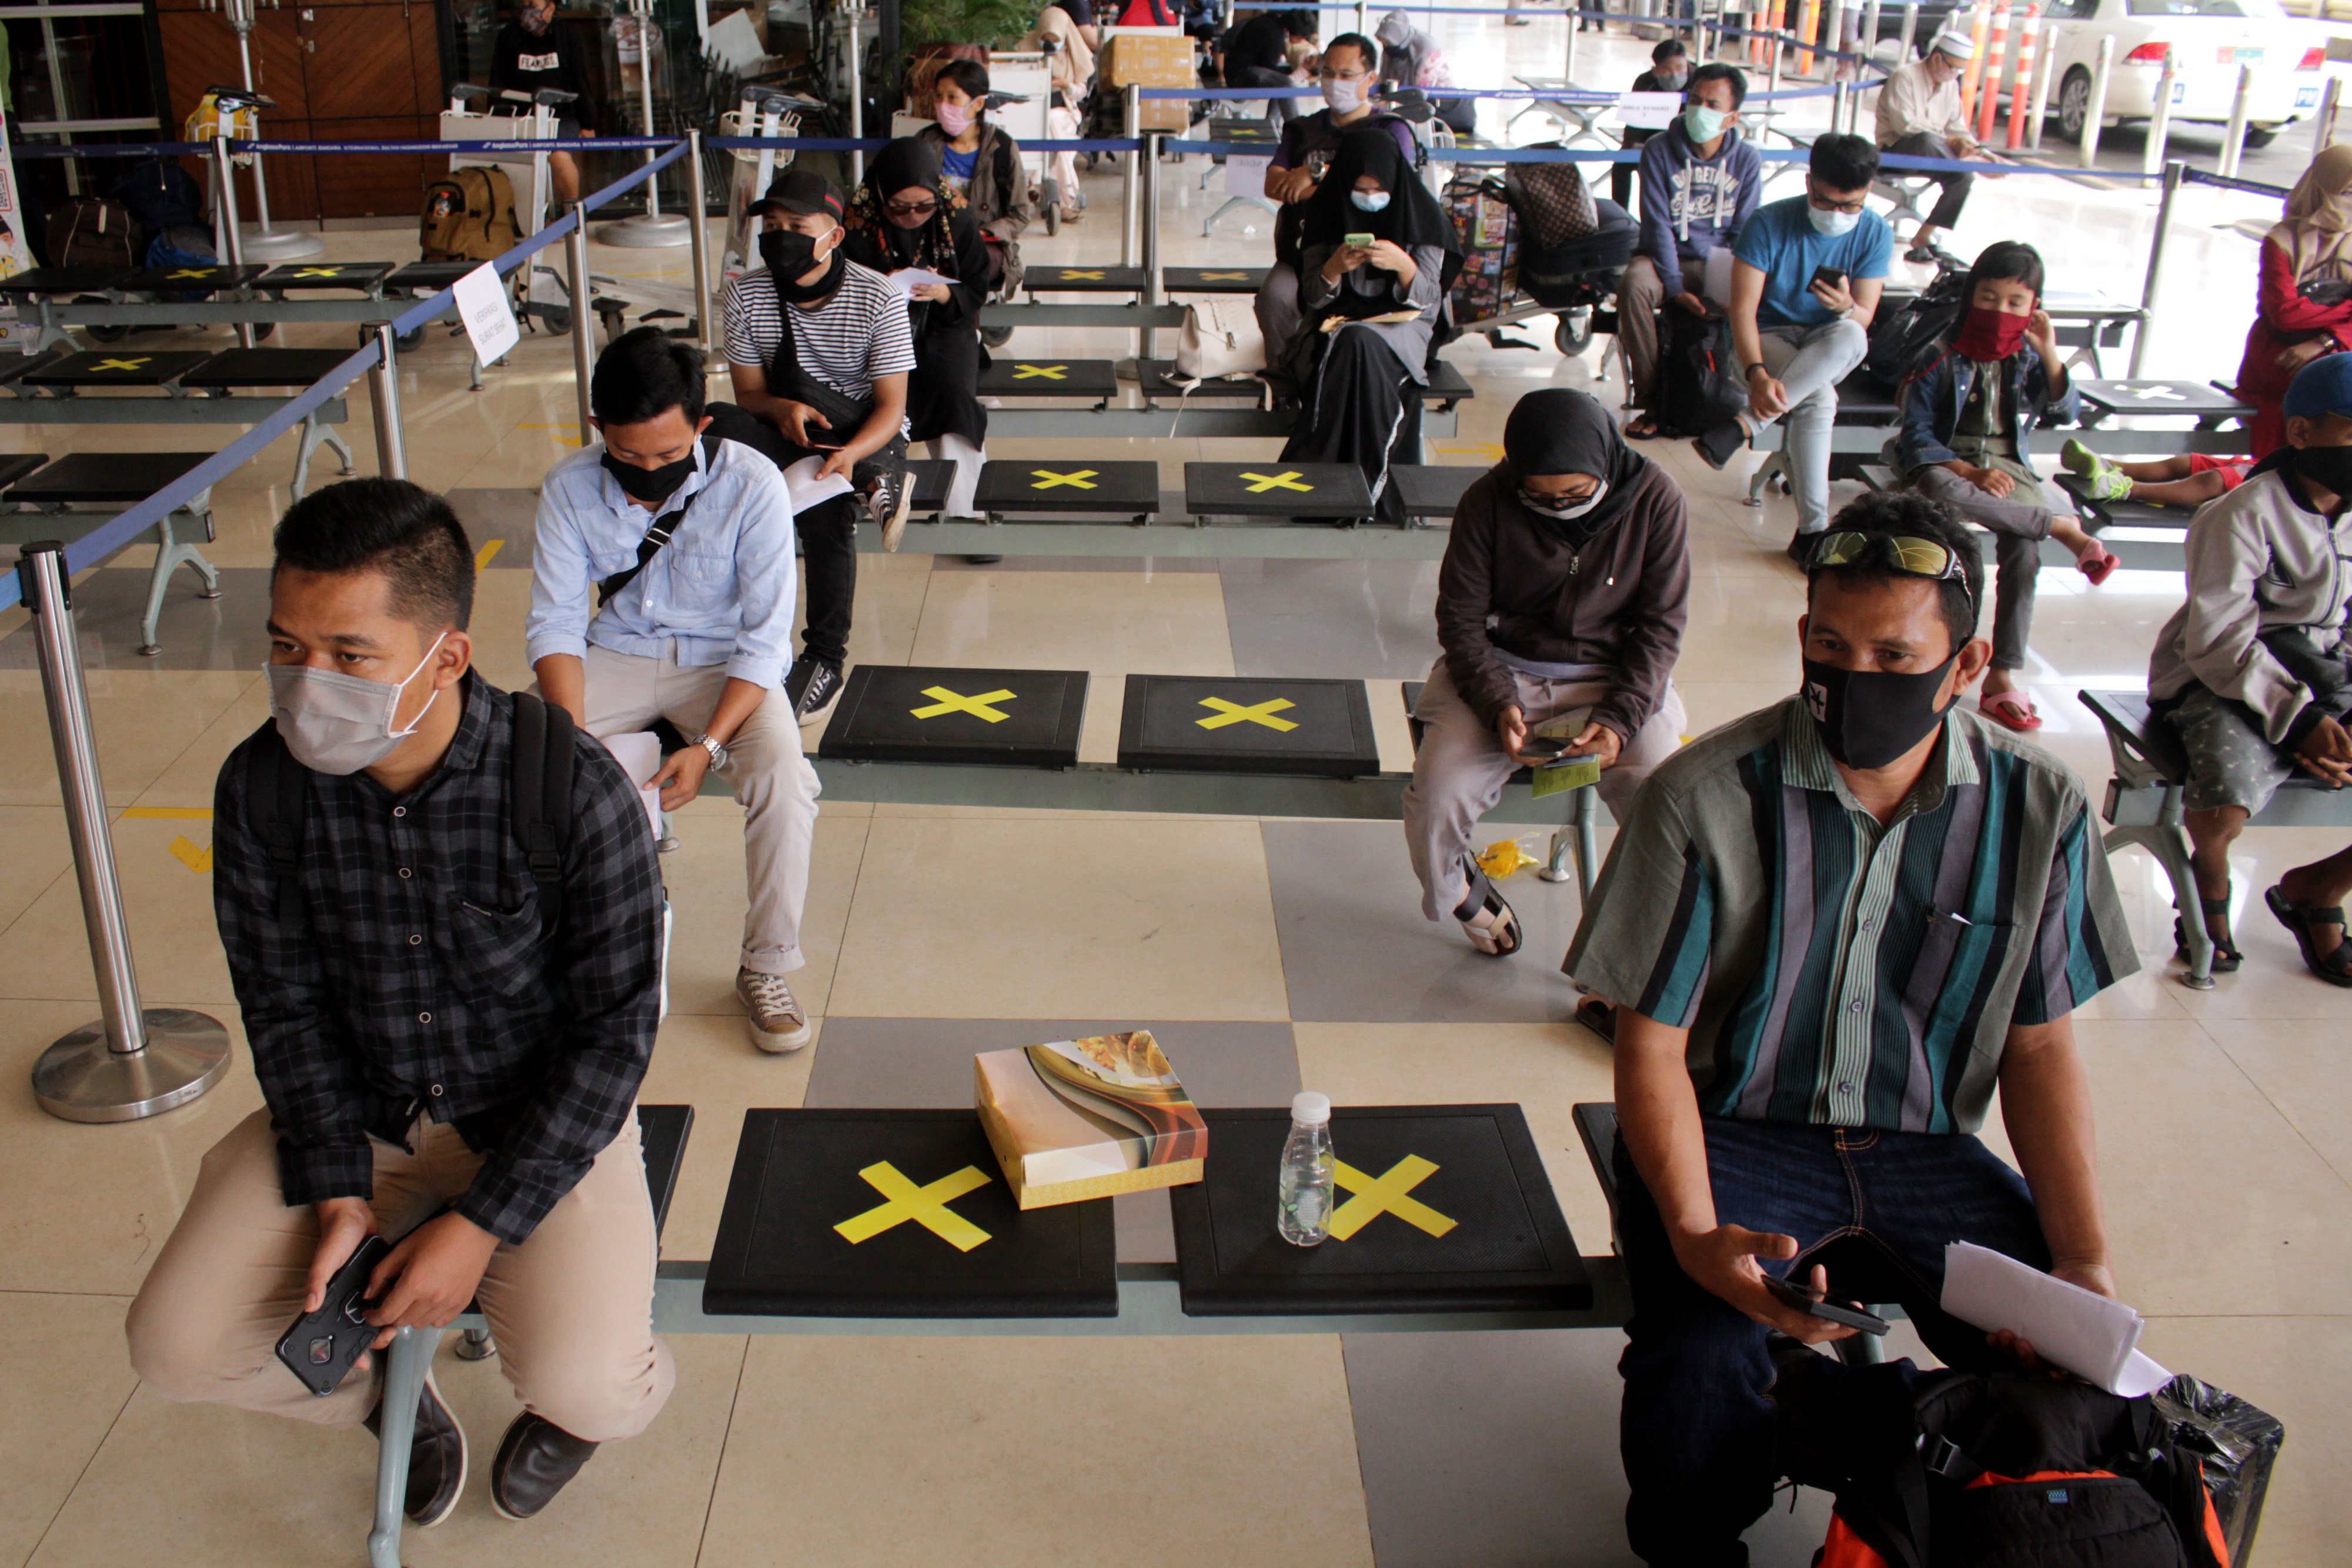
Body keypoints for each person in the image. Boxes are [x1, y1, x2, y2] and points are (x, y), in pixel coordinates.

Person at [1566, 492, 2133, 1566]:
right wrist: (1692, 1235)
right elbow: (1649, 1046)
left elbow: (2040, 1046)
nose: (1853, 678)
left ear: (1964, 667)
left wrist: (2083, 1258)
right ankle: (1696, 1543)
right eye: (1830, 645)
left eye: (1893, 653)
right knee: (1698, 1350)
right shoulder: (1705, 796)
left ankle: (1938, 1495)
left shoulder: (2038, 811)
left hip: (1924, 1147)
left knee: (2064, 1355)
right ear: (1801, 639)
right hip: (1735, 1127)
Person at [125, 479, 673, 1527]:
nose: (307, 682)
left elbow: (614, 1038)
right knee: (174, 1344)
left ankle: (573, 1408)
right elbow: (281, 1005)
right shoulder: (263, 787)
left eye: (349, 655)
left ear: (448, 656)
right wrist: (337, 1188)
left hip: (536, 1119)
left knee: (591, 1379)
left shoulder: (568, 785)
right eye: (286, 646)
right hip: (360, 1112)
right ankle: (385, 1400)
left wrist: (478, 1225)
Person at [526, 326, 822, 1049]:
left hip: (722, 665)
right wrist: (567, 742)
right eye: (627, 455)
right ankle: (553, 962)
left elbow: (765, 639)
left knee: (785, 779)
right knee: (526, 770)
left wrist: (711, 746)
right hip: (616, 652)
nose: (647, 469)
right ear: (598, 429)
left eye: (667, 453)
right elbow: (557, 627)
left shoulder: (751, 483)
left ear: (701, 424)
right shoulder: (569, 488)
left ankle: (766, 962)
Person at [1405, 388, 1689, 966]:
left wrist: (1617, 720)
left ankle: (1643, 938)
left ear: (1605, 464)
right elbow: (1459, 621)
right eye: (1538, 496)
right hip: (1502, 670)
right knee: (1438, 792)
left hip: (1612, 678)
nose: (1558, 506)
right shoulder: (1487, 500)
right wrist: (1495, 703)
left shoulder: (1656, 500)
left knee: (1664, 792)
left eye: (1575, 495)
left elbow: (1660, 629)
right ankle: (1463, 897)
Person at [2149, 353, 2352, 984]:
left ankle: (2316, 890)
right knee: (2226, 790)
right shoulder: (2239, 514)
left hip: (2322, 670)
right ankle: (2208, 877)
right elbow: (2217, 641)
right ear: (2301, 433)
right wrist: (2300, 721)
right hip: (2221, 677)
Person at [705, 168, 916, 728]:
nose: (780, 236)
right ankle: (873, 483)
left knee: (825, 506)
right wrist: (781, 410)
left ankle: (826, 657)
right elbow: (749, 394)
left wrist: (850, 452)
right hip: (787, 428)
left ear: (834, 235)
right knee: (714, 422)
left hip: (866, 429)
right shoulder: (746, 293)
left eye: (797, 224)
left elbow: (891, 407)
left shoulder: (878, 297)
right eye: (772, 225)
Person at [1891, 240, 2117, 734]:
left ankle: (2002, 672)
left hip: (2009, 464)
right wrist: (1969, 473)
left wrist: (2050, 352)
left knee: (2025, 549)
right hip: (1949, 462)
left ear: (2034, 308)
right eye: (1989, 297)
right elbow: (1916, 438)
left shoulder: (2028, 357)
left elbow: (2064, 413)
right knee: (1945, 497)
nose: (2000, 311)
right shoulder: (1938, 355)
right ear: (1972, 295)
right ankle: (2059, 525)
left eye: (2016, 303)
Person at [1692, 133, 1892, 556]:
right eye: (1825, 202)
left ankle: (1746, 425)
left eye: (1849, 205)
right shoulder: (1768, 223)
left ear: (1868, 192)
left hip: (1829, 341)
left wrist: (1845, 307)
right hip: (1764, 341)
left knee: (1853, 332)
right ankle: (1813, 534)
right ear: (1808, 183)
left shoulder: (1874, 232)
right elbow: (1742, 311)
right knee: (1817, 400)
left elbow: (1865, 315)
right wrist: (1756, 373)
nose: (1837, 214)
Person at [1275, 124, 1455, 528]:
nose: (1370, 198)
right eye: (1361, 189)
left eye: (1379, 190)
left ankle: (1332, 479)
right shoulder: (1325, 212)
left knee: (1356, 341)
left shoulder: (1423, 217)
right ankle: (1365, 485)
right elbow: (1312, 299)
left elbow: (1429, 300)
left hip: (1404, 326)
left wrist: (1405, 267)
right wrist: (1334, 269)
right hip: (1337, 325)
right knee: (1352, 339)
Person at [842, 138, 991, 521]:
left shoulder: (955, 216)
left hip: (944, 323)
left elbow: (977, 285)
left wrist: (944, 293)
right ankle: (869, 502)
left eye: (924, 207)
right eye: (899, 208)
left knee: (953, 391)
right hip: (875, 328)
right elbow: (840, 289)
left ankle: (967, 508)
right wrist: (880, 286)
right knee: (865, 394)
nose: (912, 216)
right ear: (880, 194)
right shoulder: (856, 224)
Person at [1622, 62, 1760, 438]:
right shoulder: (1658, 150)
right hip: (1665, 256)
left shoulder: (1747, 160)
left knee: (1759, 292)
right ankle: (1654, 403)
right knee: (1635, 286)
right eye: (1695, 100)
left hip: (1719, 259)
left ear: (1732, 118)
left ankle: (1734, 399)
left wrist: (1734, 283)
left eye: (1712, 105)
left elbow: (1744, 231)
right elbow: (1657, 224)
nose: (1700, 111)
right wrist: (1674, 285)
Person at [1254, 32, 1416, 350]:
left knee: (1356, 329)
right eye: (1328, 73)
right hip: (1303, 253)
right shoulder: (1302, 129)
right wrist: (1336, 184)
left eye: (1346, 75)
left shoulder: (1390, 130)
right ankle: (1285, 381)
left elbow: (1387, 190)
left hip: (1368, 260)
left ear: (1371, 78)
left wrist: (1312, 175)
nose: (1334, 82)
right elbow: (1274, 185)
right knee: (1273, 300)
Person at [2236, 145, 2352, 462]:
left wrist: (2324, 340)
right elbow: (2286, 315)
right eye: (2348, 192)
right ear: (2322, 190)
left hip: (2332, 348)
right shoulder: (2282, 240)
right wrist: (2347, 310)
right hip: (2278, 354)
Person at [1875, 26, 1994, 263]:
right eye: (1954, 67)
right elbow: (1906, 127)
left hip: (1933, 154)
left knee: (1964, 178)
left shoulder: (1950, 86)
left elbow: (1957, 127)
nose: (1957, 74)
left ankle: (1923, 236)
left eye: (1962, 69)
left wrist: (1979, 151)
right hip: (1898, 153)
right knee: (1927, 140)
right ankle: (1960, 163)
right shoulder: (1905, 77)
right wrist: (1951, 144)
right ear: (1938, 58)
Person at [919, 58, 1038, 266]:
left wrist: (986, 233)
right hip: (932, 243)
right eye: (938, 96)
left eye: (952, 97)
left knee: (973, 261)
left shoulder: (1002, 148)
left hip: (983, 245)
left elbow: (1020, 214)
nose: (942, 105)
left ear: (979, 104)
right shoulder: (924, 142)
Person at [487, 0, 597, 203]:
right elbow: (497, 84)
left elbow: (581, 81)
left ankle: (571, 214)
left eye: (534, 4)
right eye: (525, 4)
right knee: (522, 165)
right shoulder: (508, 37)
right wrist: (496, 123)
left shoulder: (568, 37)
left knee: (558, 157)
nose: (528, 10)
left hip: (561, 117)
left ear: (551, 7)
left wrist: (588, 123)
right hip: (522, 119)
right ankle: (539, 220)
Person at [1026, 5, 1095, 225]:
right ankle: (1064, 199)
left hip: (1064, 112)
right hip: (1033, 112)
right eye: (1045, 37)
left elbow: (1081, 92)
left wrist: (1066, 85)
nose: (1049, 42)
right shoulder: (1026, 51)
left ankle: (1037, 186)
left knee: (1052, 125)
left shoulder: (1074, 56)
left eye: (1055, 38)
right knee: (1046, 128)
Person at [1612, 37, 1691, 211]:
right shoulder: (1645, 82)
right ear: (1655, 71)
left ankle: (1652, 218)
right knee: (1621, 166)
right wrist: (1629, 149)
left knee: (1653, 171)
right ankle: (1620, 214)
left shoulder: (1699, 81)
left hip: (1686, 142)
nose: (1675, 75)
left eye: (1680, 68)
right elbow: (1633, 121)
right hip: (1650, 140)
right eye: (1667, 70)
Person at [1372, 11, 1474, 135]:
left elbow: (1419, 95)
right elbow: (1383, 80)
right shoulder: (1392, 48)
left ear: (1397, 36)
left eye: (1387, 42)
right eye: (1383, 42)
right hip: (1409, 100)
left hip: (1437, 105)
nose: (1385, 45)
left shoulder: (1428, 52)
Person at [2060, 442, 2246, 510]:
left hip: (2261, 482)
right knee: (2187, 462)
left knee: (2214, 480)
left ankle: (2126, 489)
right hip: (2257, 465)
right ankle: (2111, 466)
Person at [1223, 8, 1318, 125]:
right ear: (1293, 32)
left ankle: (1272, 122)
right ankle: (1296, 129)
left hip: (1239, 70)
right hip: (1240, 77)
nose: (1302, 41)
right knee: (1287, 83)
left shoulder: (1271, 21)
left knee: (1285, 78)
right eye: (1301, 37)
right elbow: (1268, 66)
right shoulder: (1275, 35)